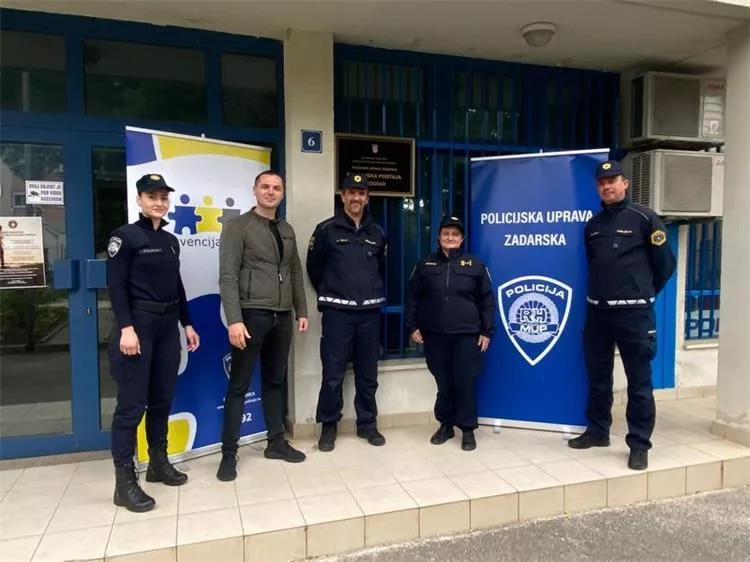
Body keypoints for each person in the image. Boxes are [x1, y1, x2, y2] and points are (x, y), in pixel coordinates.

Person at [568, 160, 676, 471]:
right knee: (598, 377)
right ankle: (598, 431)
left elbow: (664, 265)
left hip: (634, 315)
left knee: (639, 382)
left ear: (625, 183)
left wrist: (643, 292)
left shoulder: (645, 218)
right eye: (602, 182)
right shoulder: (593, 226)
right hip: (598, 313)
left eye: (612, 180)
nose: (607, 186)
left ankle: (639, 444)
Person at [106, 173, 200, 513]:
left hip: (166, 328)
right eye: (152, 197)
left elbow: (177, 285)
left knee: (161, 400)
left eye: (163, 197)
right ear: (139, 200)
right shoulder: (124, 237)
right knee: (131, 407)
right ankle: (124, 482)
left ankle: (158, 462)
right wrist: (126, 328)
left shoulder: (171, 240)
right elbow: (116, 286)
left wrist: (187, 323)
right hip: (138, 327)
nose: (159, 202)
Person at [217, 170, 309, 481]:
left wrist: (301, 310)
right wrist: (234, 320)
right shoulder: (237, 227)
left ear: (282, 193)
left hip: (281, 316)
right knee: (239, 386)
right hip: (251, 315)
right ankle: (228, 454)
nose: (271, 192)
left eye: (276, 188)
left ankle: (276, 443)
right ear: (255, 190)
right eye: (265, 187)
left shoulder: (286, 229)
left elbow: (294, 272)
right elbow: (227, 276)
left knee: (275, 382)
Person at [306, 173, 387, 452]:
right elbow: (314, 268)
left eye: (361, 193)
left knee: (368, 373)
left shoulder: (377, 233)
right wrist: (333, 292)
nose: (356, 198)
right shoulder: (326, 229)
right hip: (337, 313)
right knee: (333, 374)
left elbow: (382, 269)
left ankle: (368, 424)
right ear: (342, 196)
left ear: (367, 198)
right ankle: (329, 425)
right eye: (351, 192)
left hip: (369, 314)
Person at [405, 215, 495, 451]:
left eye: (455, 234)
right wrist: (412, 326)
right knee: (443, 382)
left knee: (465, 382)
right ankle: (445, 425)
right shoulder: (425, 265)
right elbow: (412, 297)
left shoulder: (475, 265)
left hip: (467, 335)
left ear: (462, 238)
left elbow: (487, 301)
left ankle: (467, 429)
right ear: (438, 237)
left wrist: (487, 331)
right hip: (435, 335)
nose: (450, 238)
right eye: (446, 233)